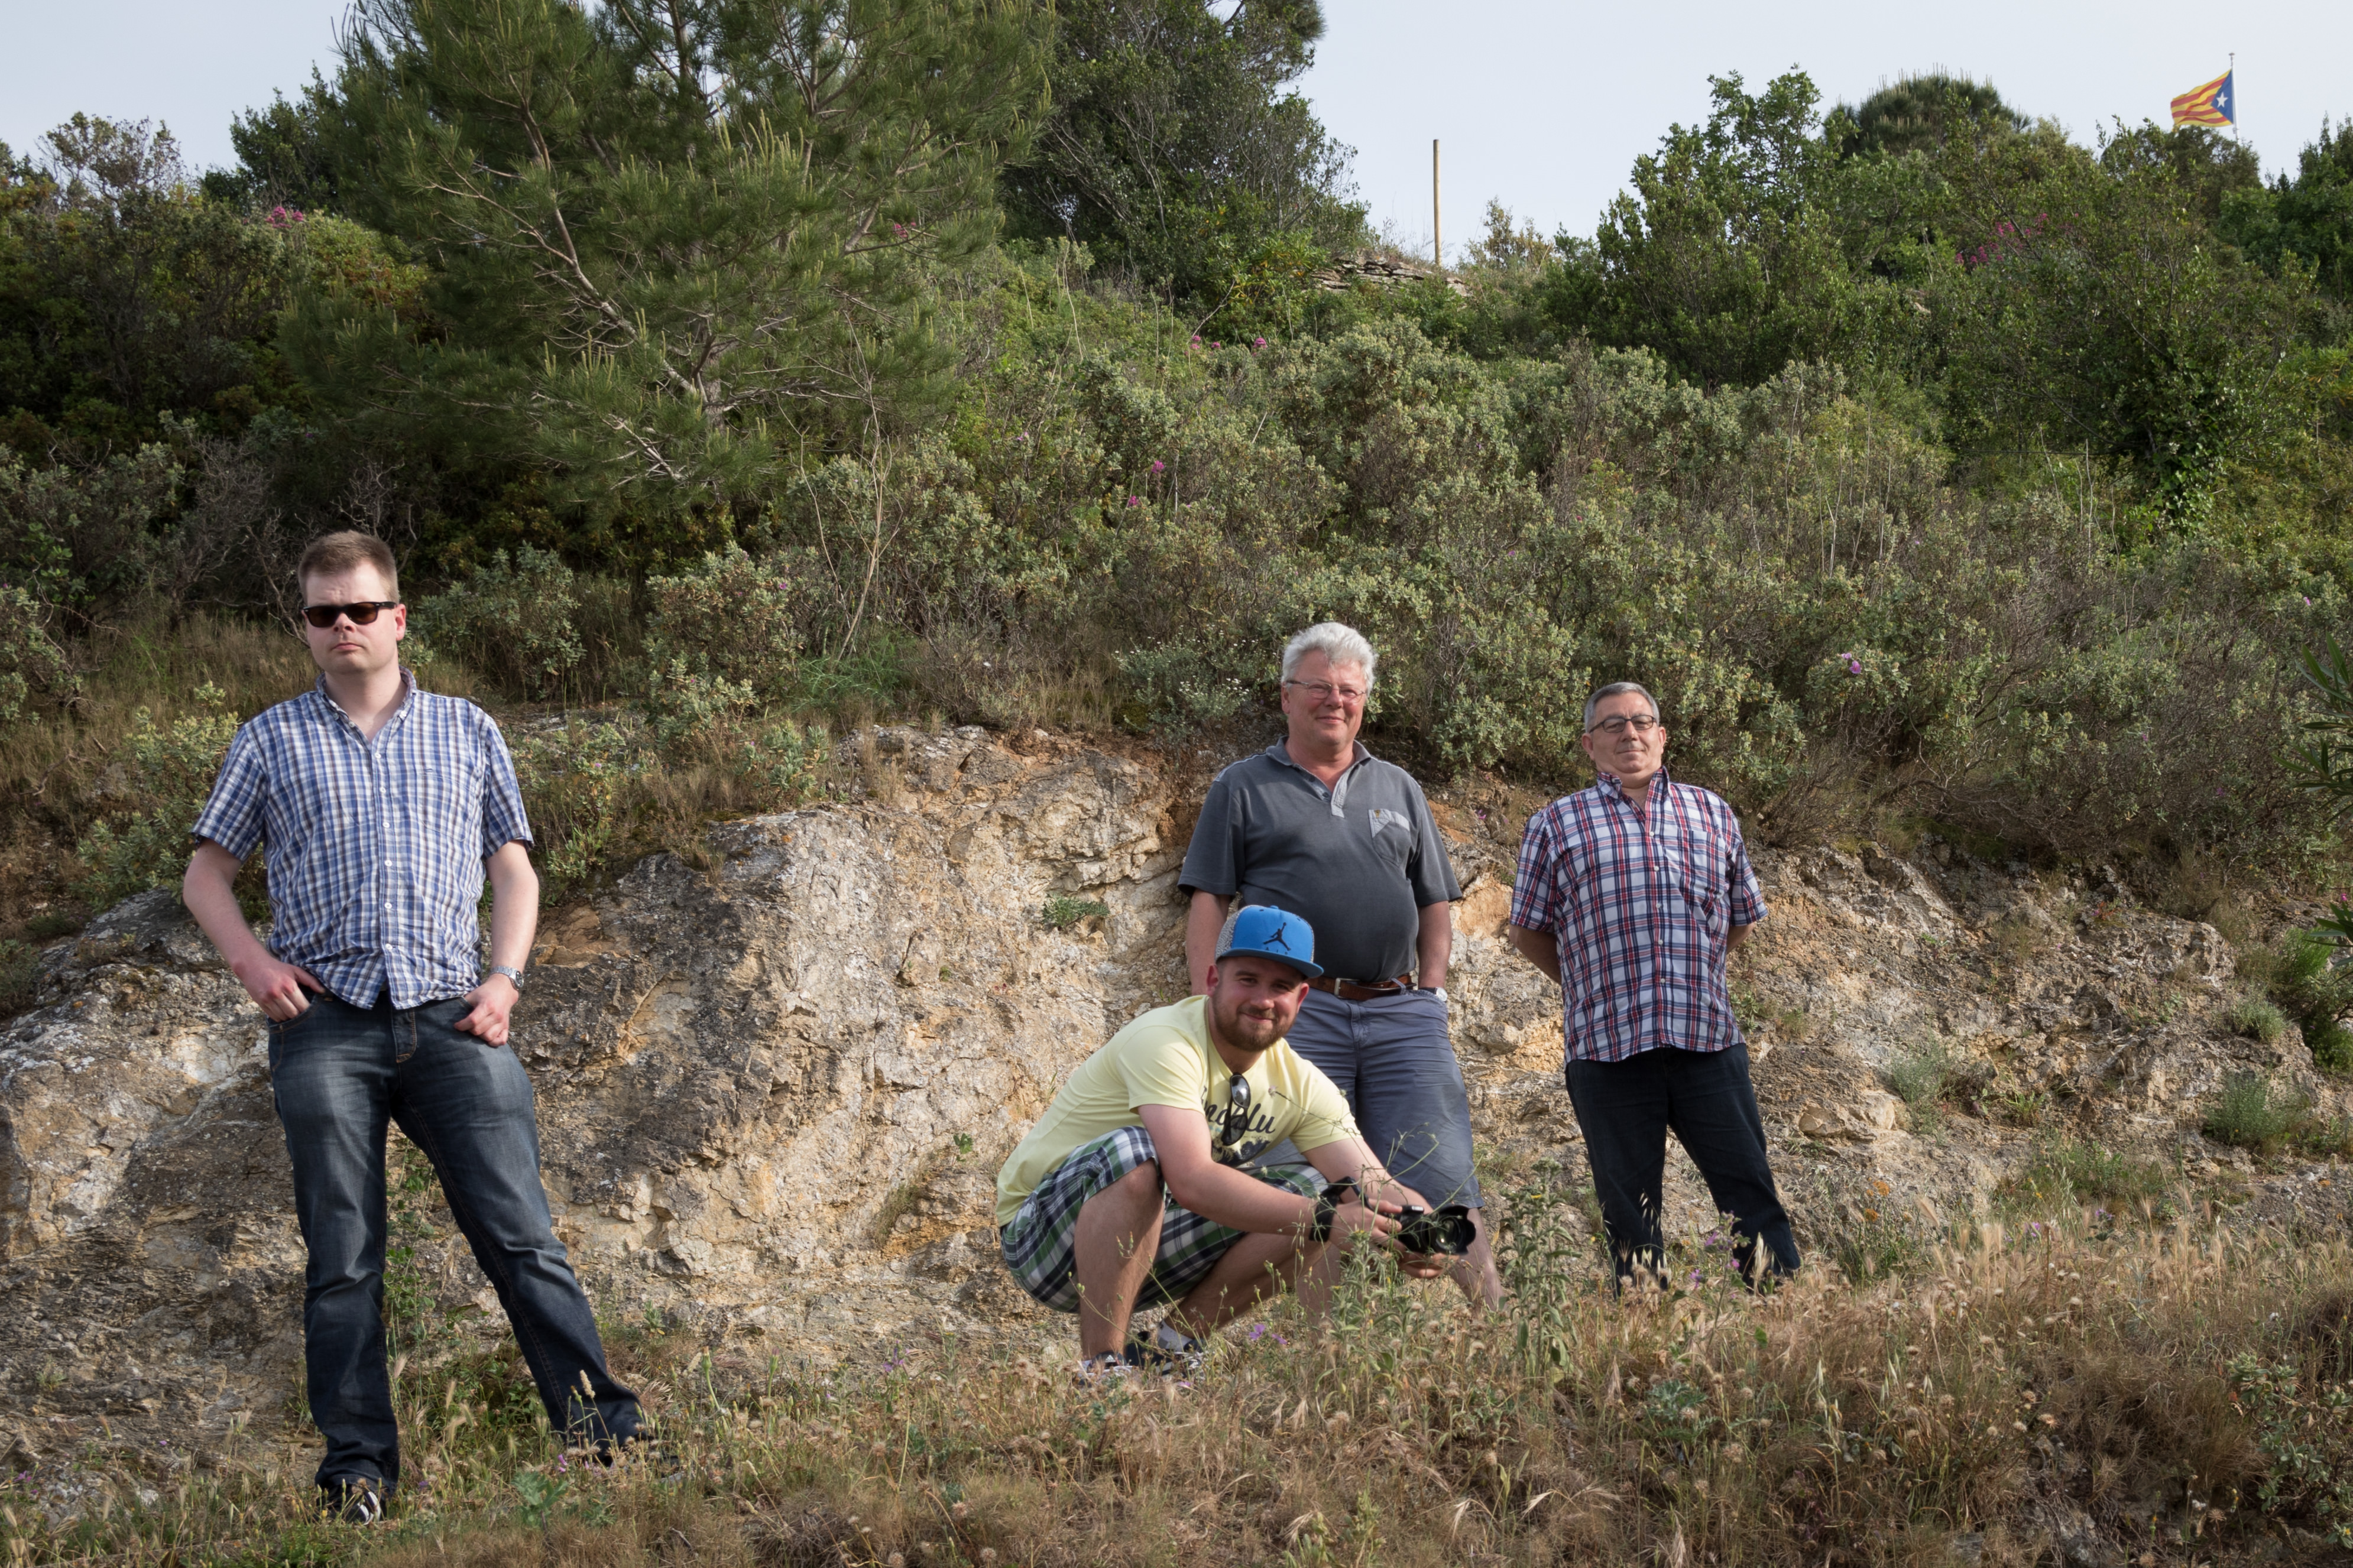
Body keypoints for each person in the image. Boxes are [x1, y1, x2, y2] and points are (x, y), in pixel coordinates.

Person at [181, 531, 640, 1520]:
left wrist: (505, 979)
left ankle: (607, 1438)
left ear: (398, 617)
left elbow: (513, 868)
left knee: (522, 1237)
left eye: (360, 608)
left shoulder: (467, 728)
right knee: (343, 1259)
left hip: (453, 1018)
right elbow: (205, 875)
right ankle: (357, 1475)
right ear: (306, 626)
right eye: (322, 612)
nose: (342, 625)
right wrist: (254, 964)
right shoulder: (269, 739)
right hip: (326, 1027)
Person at [1179, 622, 1503, 1304]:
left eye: (1349, 691)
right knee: (1318, 1190)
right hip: (1298, 1014)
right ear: (1285, 696)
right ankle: (1320, 1355)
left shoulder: (1398, 786)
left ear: (1364, 701)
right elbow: (1208, 898)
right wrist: (1210, 1001)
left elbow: (1434, 901)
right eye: (1319, 687)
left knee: (1445, 1176)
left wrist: (1433, 993)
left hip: (1403, 1014)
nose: (1335, 700)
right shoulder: (1242, 786)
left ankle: (1498, 1331)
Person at [996, 906, 1446, 1374]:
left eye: (1281, 986)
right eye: (1248, 980)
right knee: (1134, 1152)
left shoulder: (1301, 1082)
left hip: (1151, 1243)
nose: (1263, 1000)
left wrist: (1425, 1228)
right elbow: (1191, 1179)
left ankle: (1169, 1351)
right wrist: (1327, 1219)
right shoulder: (1165, 1040)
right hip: (1042, 1238)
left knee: (1320, 1188)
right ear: (1213, 979)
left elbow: (1374, 1183)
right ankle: (1103, 1373)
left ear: (1301, 998)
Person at [1503, 680, 1800, 1288]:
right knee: (1630, 1216)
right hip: (1607, 1048)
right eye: (1612, 724)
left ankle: (1785, 1312)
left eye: (1641, 721)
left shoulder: (1711, 812)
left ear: (1661, 736)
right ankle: (1645, 1330)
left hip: (1707, 1041)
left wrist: (1695, 973)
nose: (1629, 733)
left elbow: (1742, 915)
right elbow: (1527, 930)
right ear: (1589, 744)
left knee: (1750, 1193)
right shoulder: (1554, 824)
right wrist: (1587, 984)